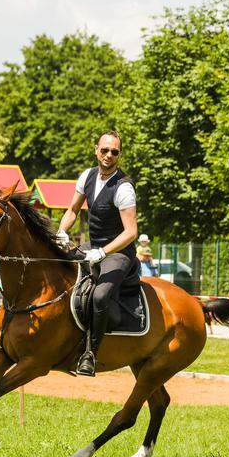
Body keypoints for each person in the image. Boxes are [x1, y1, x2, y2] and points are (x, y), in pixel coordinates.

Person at [57, 130, 139, 376]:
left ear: (119, 155)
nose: (109, 155)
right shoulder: (87, 176)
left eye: (114, 151)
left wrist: (103, 252)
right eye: (104, 150)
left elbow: (131, 232)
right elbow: (72, 209)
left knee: (101, 296)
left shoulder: (124, 188)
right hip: (92, 247)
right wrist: (62, 231)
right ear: (96, 150)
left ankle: (91, 353)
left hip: (119, 253)